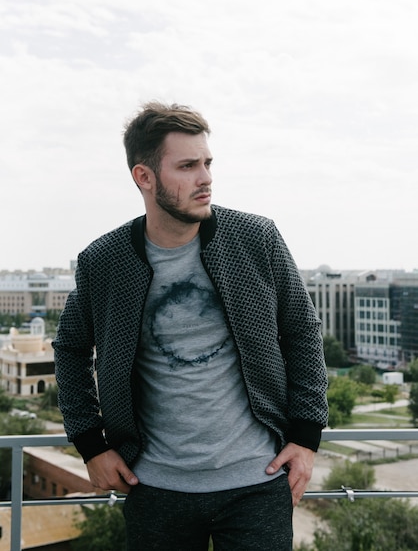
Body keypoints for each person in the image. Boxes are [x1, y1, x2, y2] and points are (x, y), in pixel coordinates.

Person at [53, 102, 328, 550]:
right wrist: (90, 444)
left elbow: (301, 330)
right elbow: (69, 349)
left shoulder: (256, 239)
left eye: (207, 163)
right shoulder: (104, 262)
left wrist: (306, 437)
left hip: (257, 481)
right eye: (187, 166)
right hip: (153, 485)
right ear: (144, 177)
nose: (205, 179)